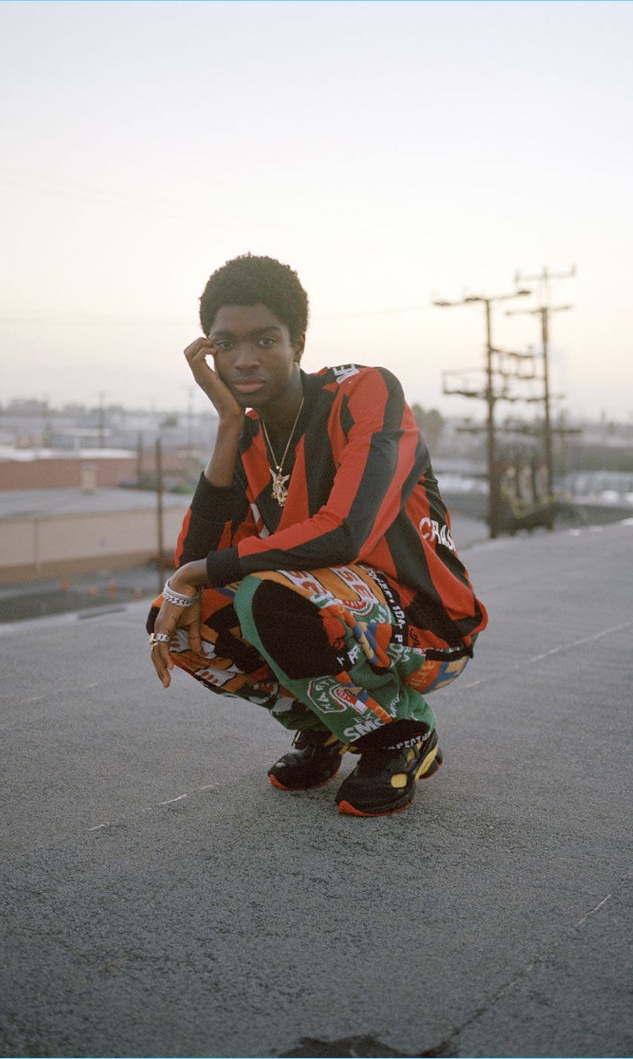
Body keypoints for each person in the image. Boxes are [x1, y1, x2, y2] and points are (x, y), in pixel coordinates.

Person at [148, 253, 488, 816]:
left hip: (427, 627)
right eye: (225, 344)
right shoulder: (249, 434)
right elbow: (196, 563)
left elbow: (345, 533)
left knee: (266, 595)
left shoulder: (365, 393)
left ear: (298, 344)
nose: (245, 359)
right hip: (329, 611)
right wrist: (229, 424)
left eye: (265, 339)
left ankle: (399, 735)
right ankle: (328, 724)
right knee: (183, 615)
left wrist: (195, 572)